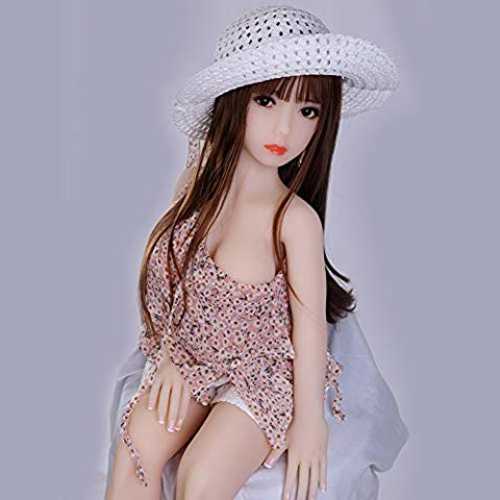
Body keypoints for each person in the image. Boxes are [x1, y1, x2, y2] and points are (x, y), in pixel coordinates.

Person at [104, 4, 409, 500]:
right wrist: (167, 356)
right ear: (234, 100)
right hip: (193, 358)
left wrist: (309, 422)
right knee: (134, 450)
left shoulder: (294, 220)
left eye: (308, 111)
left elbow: (310, 331)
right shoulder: (198, 189)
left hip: (263, 373)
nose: (285, 130)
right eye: (267, 101)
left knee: (200, 479)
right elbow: (165, 279)